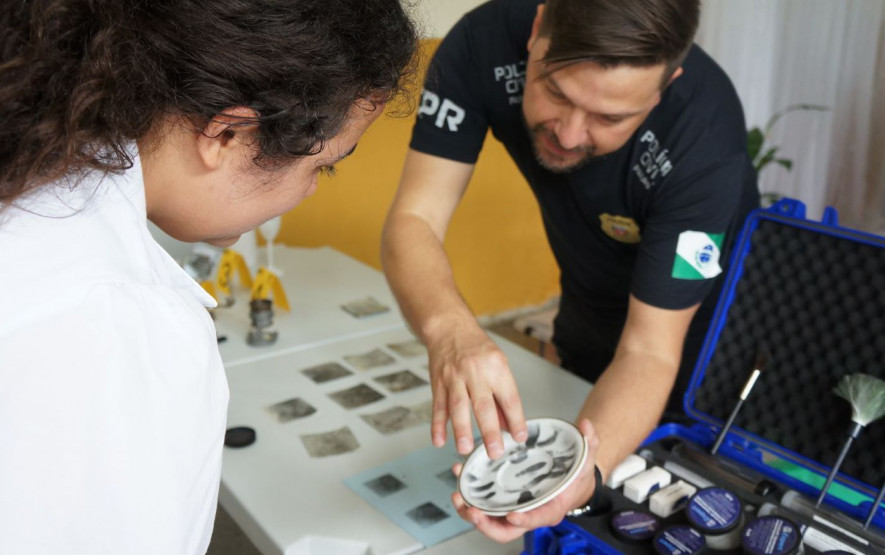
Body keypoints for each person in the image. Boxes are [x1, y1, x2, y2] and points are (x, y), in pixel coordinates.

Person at [0, 1, 416, 553]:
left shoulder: (32, 175)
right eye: (323, 165)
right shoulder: (125, 327)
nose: (312, 190)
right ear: (229, 135)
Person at [381, 0, 759, 541]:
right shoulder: (482, 44)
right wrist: (451, 331)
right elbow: (413, 218)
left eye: (610, 118)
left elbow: (649, 351)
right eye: (556, 91)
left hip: (702, 349)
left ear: (666, 84)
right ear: (537, 31)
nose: (571, 134)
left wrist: (585, 474)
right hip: (586, 301)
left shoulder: (704, 131)